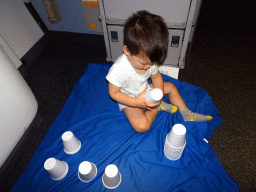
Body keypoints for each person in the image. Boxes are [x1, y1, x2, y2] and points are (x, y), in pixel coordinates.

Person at [106, 10, 212, 133]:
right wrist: (136, 102)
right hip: (129, 97)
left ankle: (187, 113)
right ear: (127, 50)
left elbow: (156, 77)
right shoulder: (119, 69)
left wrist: (159, 94)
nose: (148, 67)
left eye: (151, 64)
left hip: (143, 88)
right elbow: (113, 93)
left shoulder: (148, 60)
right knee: (142, 127)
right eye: (144, 64)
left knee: (171, 87)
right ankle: (158, 108)